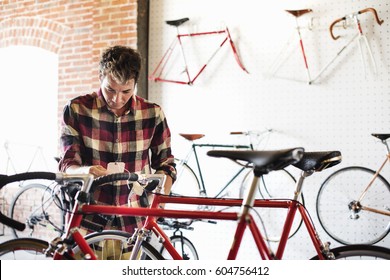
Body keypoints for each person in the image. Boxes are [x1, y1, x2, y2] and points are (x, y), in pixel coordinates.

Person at [59, 45, 176, 233]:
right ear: (100, 77)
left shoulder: (152, 114)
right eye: (110, 90)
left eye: (126, 91)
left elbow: (167, 164)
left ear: (135, 84)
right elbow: (67, 165)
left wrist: (160, 202)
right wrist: (85, 170)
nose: (117, 99)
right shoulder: (76, 109)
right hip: (87, 218)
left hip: (135, 222)